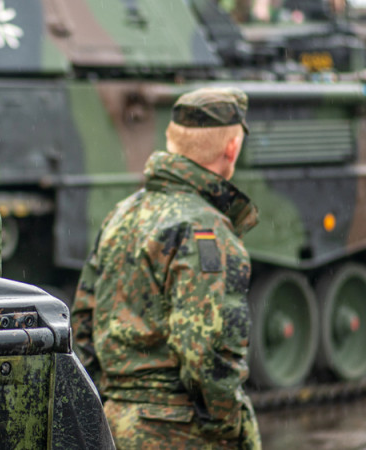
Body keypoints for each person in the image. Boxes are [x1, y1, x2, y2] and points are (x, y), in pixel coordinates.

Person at [71, 87, 262, 449]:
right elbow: (204, 350)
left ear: (171, 141)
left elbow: (83, 321)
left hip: (116, 424)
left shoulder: (123, 214)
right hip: (178, 432)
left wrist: (112, 402)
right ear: (232, 148)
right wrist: (227, 423)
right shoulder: (206, 229)